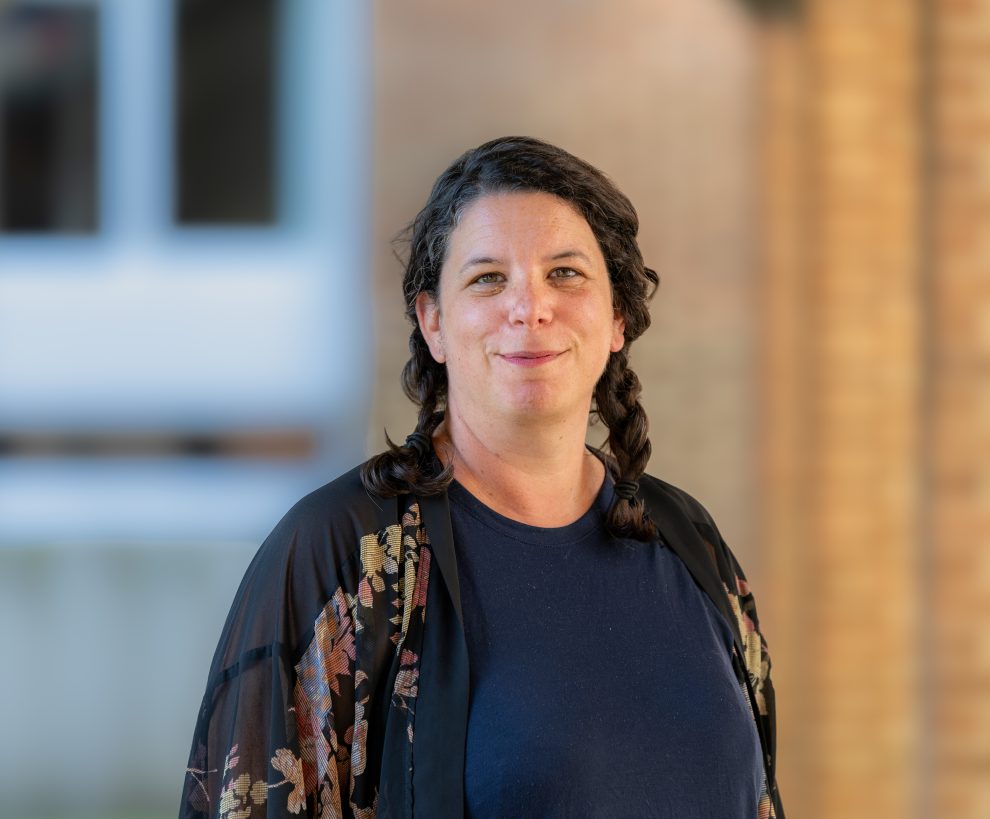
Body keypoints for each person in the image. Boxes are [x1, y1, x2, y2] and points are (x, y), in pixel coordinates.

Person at [180, 136, 783, 819]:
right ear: (432, 323)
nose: (529, 307)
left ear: (617, 318)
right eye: (487, 278)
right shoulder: (340, 558)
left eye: (565, 273)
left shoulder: (688, 541)